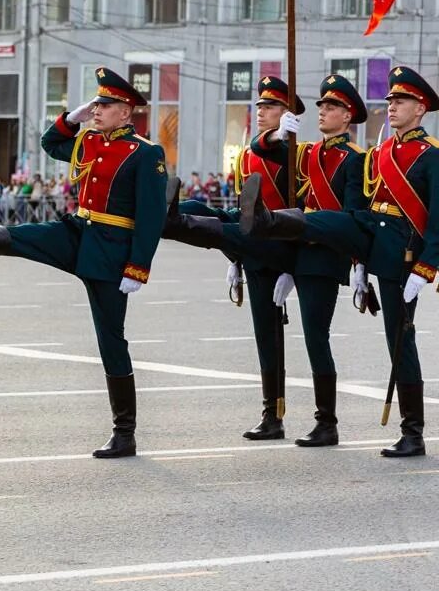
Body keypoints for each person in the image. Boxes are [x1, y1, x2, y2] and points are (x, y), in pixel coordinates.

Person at [0, 67, 167, 458]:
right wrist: (72, 119)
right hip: (79, 231)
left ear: (126, 112)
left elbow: (152, 215)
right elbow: (51, 143)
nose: (97, 109)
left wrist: (137, 267)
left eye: (104, 105)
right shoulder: (91, 140)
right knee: (26, 236)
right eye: (96, 103)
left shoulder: (145, 153)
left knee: (111, 339)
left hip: (112, 249)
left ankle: (124, 432)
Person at [242, 66, 439, 457]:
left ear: (420, 108)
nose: (392, 107)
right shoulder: (380, 154)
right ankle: (241, 223)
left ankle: (413, 432)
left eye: (400, 101)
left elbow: (437, 219)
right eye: (391, 101)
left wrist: (426, 266)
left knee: (400, 341)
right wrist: (361, 263)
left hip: (405, 253)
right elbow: (366, 211)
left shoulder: (431, 156)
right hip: (376, 245)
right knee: (392, 335)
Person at [163, 76, 303, 440]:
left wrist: (293, 267)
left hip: (278, 246)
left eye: (270, 106)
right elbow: (245, 207)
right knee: (200, 211)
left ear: (287, 114)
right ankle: (173, 216)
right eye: (259, 106)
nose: (261, 112)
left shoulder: (294, 153)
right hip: (250, 243)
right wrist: (234, 259)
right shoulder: (247, 153)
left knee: (270, 337)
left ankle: (274, 415)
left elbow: (303, 208)